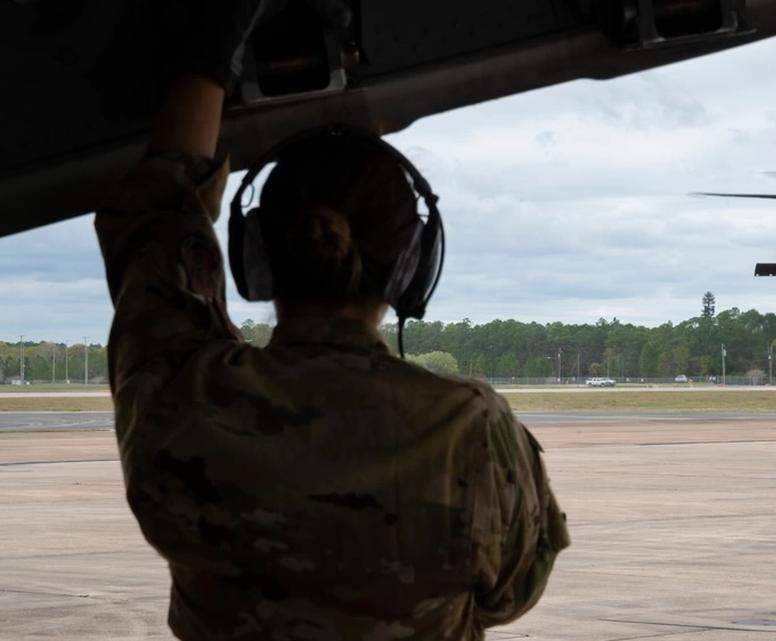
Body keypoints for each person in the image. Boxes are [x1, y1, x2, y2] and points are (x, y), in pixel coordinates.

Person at [94, 3, 568, 639]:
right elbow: (511, 594)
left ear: (257, 253)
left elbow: (156, 225)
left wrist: (210, 48)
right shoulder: (470, 428)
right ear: (408, 268)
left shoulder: (189, 398)